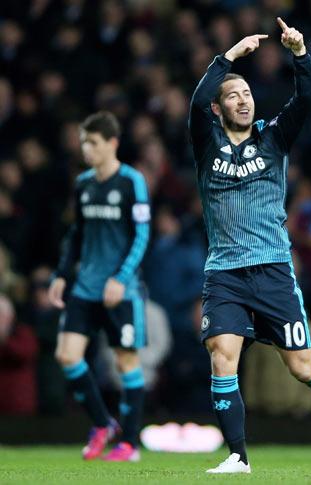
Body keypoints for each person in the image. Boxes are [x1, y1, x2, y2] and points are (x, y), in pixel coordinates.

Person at [189, 18, 311, 475]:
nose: (243, 100)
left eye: (246, 94)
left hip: (274, 269)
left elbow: (308, 99)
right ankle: (238, 456)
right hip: (224, 272)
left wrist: (300, 55)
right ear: (219, 110)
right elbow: (197, 100)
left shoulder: (273, 138)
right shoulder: (206, 146)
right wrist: (230, 57)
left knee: (299, 368)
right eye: (233, 96)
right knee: (222, 354)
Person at [48, 111, 151, 462]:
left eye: (92, 143)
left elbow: (141, 236)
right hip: (85, 287)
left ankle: (130, 444)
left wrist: (121, 280)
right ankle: (103, 424)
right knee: (67, 355)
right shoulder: (84, 184)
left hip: (121, 290)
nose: (86, 149)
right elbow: (76, 235)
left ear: (112, 143)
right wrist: (62, 274)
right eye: (83, 143)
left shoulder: (131, 181)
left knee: (126, 362)